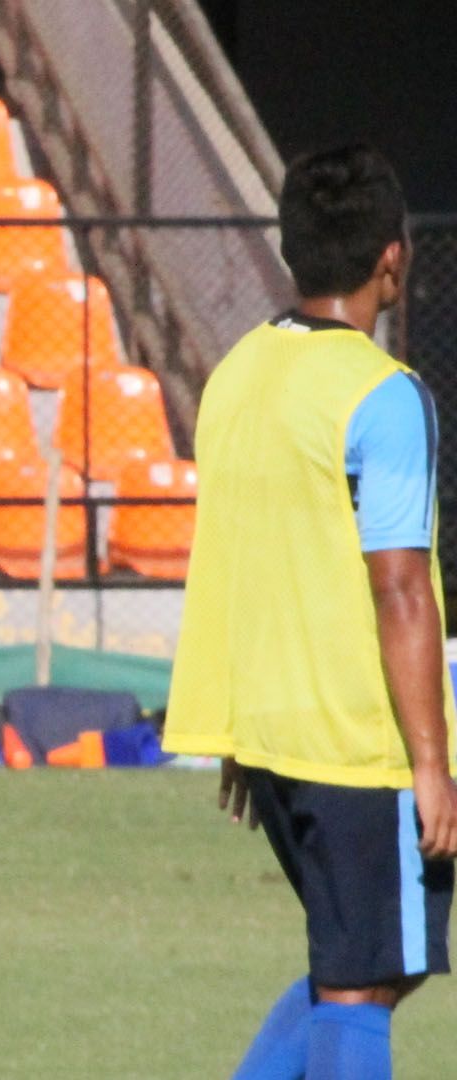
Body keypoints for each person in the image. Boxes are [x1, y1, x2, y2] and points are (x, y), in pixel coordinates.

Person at [165, 144, 455, 1080]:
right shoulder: (383, 394)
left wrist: (243, 728)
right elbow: (400, 584)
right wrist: (431, 763)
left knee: (361, 966)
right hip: (357, 739)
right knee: (367, 977)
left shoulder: (240, 370)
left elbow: (245, 553)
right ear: (393, 258)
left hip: (270, 733)